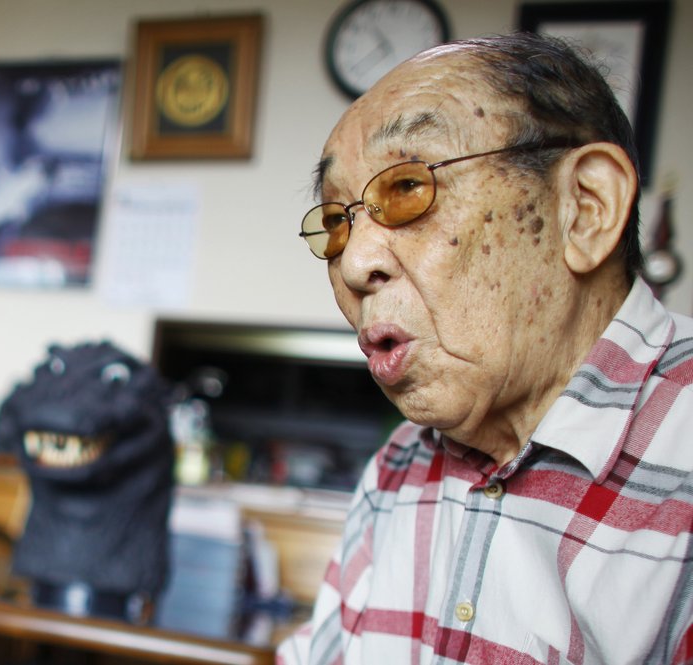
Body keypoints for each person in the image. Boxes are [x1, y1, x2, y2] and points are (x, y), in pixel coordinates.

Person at [279, 32, 693, 664]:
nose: (356, 262)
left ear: (586, 208)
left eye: (408, 188)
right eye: (338, 221)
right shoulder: (397, 467)